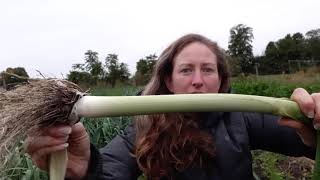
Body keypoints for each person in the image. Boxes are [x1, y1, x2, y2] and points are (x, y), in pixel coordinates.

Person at [25, 34, 320, 180]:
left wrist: (313, 126)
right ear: (168, 78)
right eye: (186, 70)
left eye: (208, 69)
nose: (198, 81)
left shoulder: (242, 118)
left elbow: (304, 143)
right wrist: (86, 168)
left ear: (221, 79)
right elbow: (109, 172)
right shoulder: (144, 125)